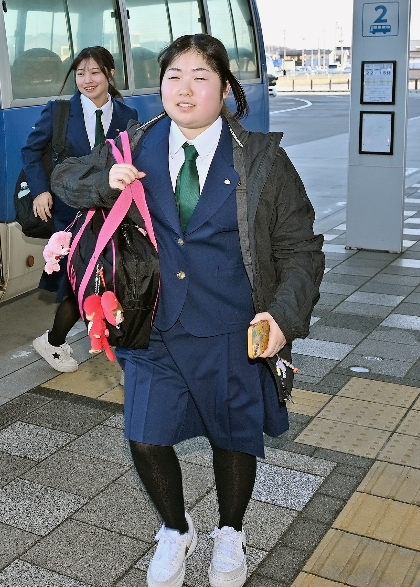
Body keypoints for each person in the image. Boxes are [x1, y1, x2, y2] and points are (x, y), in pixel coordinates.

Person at [52, 34, 322, 587]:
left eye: (201, 76)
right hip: (154, 326)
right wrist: (103, 180)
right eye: (173, 75)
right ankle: (176, 530)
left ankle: (231, 534)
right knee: (146, 436)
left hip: (231, 328)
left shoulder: (262, 160)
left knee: (233, 437)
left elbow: (301, 248)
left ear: (225, 87)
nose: (185, 88)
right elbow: (65, 178)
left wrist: (283, 317)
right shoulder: (134, 146)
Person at [24, 46, 138, 372]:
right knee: (83, 281)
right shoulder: (60, 112)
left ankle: (93, 340)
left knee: (105, 279)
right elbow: (31, 152)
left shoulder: (127, 116)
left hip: (111, 213)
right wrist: (40, 190)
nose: (87, 80)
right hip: (70, 212)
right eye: (80, 73)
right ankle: (55, 342)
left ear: (110, 75)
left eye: (95, 72)